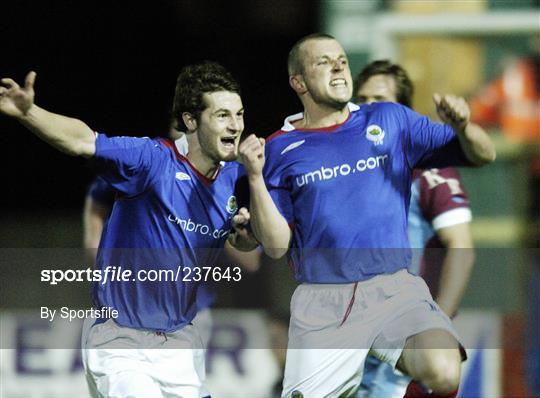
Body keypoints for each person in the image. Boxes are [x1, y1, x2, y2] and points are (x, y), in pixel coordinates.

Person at [239, 33, 495, 398]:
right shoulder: (279, 149)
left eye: (341, 59)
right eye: (323, 61)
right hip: (324, 304)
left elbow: (482, 155)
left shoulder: (390, 119)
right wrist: (254, 177)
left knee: (443, 369)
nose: (339, 66)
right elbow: (277, 246)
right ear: (299, 82)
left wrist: (464, 127)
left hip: (393, 289)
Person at [0, 62, 259, 398]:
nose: (236, 125)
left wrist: (246, 236)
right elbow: (83, 141)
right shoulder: (152, 160)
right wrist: (30, 112)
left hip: (181, 342)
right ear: (191, 121)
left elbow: (251, 249)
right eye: (223, 115)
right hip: (121, 341)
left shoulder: (235, 180)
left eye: (239, 114)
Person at [354, 60, 475, 397]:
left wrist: (440, 320)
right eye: (360, 99)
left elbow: (461, 247)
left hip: (405, 335)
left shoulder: (427, 169)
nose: (366, 108)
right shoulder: (346, 172)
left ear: (402, 111)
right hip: (352, 334)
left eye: (378, 99)